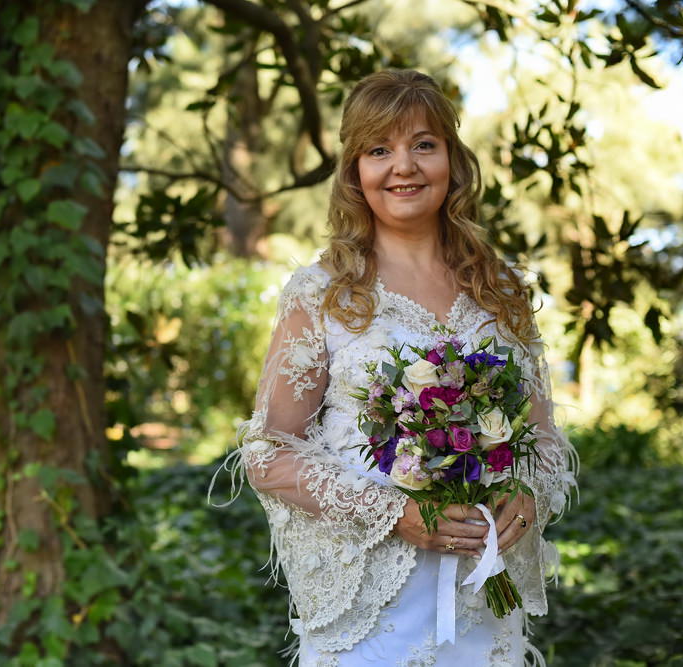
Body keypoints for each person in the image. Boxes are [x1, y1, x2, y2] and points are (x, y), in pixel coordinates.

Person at [208, 69, 578, 666]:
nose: (403, 166)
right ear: (356, 171)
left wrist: (529, 493)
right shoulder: (321, 293)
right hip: (371, 614)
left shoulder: (502, 290)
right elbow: (267, 451)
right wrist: (397, 514)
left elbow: (540, 435)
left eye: (423, 145)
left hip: (483, 594)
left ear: (452, 161)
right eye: (380, 150)